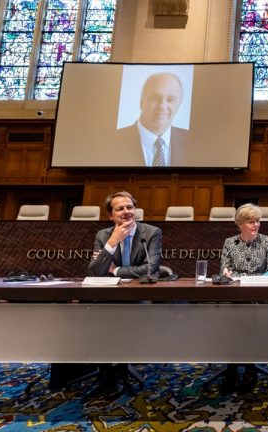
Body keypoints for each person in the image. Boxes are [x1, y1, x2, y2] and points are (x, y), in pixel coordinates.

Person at [86, 191, 162, 398]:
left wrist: (116, 270)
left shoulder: (151, 233)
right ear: (111, 215)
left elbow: (151, 270)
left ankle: (120, 373)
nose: (127, 212)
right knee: (97, 319)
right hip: (109, 296)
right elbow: (94, 271)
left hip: (137, 295)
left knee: (125, 321)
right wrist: (113, 241)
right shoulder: (104, 235)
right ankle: (105, 376)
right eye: (120, 209)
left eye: (130, 207)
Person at [218, 203, 268, 394]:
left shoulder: (267, 241)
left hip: (259, 297)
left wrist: (254, 278)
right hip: (236, 296)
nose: (256, 225)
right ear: (240, 224)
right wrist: (228, 273)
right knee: (238, 314)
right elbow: (224, 270)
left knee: (246, 313)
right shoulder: (230, 242)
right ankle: (237, 367)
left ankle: (243, 367)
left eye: (258, 221)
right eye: (251, 222)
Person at [116, 72, 190, 167]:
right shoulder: (113, 141)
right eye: (155, 98)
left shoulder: (193, 141)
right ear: (141, 102)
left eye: (171, 100)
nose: (162, 106)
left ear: (178, 105)